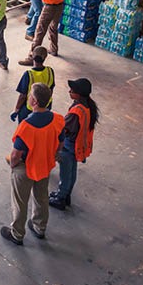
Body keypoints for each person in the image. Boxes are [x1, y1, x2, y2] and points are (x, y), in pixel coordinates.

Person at [0, 83, 65, 245]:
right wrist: (54, 155)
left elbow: (16, 154)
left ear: (34, 101)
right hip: (44, 164)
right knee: (41, 196)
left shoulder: (26, 127)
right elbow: (61, 142)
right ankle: (39, 227)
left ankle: (17, 234)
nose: (28, 97)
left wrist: (13, 165)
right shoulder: (57, 119)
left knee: (20, 201)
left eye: (30, 95)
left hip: (26, 168)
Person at [49, 78, 99, 210]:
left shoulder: (77, 111)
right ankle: (66, 195)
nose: (69, 91)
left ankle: (60, 198)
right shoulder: (87, 106)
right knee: (72, 172)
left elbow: (65, 128)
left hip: (69, 146)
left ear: (79, 94)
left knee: (65, 173)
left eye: (73, 90)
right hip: (77, 146)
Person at [11, 46, 55, 123]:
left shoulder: (28, 74)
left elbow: (22, 96)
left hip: (30, 108)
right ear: (45, 57)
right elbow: (51, 89)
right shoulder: (50, 71)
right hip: (46, 105)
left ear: (32, 56)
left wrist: (16, 110)